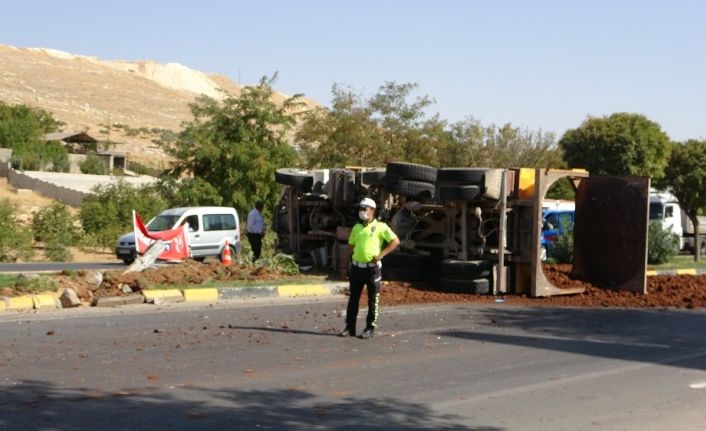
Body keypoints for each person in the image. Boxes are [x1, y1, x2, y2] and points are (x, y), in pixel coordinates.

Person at [340, 197, 400, 339]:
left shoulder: (381, 227)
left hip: (372, 269)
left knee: (373, 299)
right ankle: (350, 327)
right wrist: (343, 265)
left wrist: (382, 254)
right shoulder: (356, 227)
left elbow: (395, 241)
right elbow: (350, 247)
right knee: (353, 299)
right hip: (356, 268)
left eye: (364, 208)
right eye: (360, 208)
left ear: (372, 210)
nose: (361, 211)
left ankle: (370, 328)